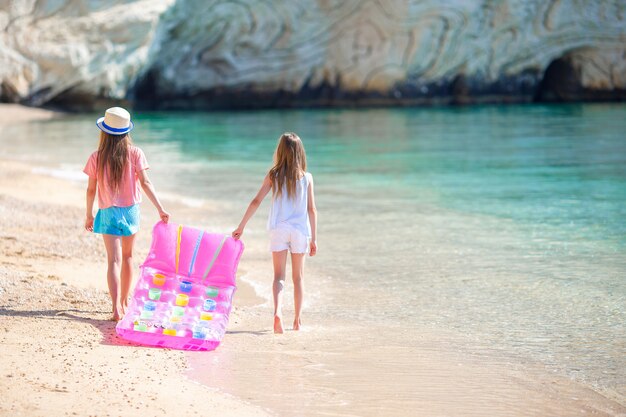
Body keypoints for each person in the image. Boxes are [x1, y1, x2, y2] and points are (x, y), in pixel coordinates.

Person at [84, 107, 169, 321]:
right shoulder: (136, 153)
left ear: (104, 131)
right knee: (129, 257)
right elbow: (146, 182)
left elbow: (91, 190)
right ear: (126, 131)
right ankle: (124, 301)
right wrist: (160, 208)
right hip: (131, 212)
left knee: (113, 260)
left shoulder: (97, 157)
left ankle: (115, 308)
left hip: (107, 211)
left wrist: (88, 214)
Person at [232, 132, 317, 333]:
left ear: (280, 151)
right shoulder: (307, 178)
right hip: (299, 231)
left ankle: (277, 312)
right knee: (298, 278)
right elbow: (311, 209)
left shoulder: (274, 175)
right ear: (300, 153)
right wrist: (314, 238)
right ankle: (297, 321)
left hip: (279, 229)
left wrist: (241, 226)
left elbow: (256, 201)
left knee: (279, 276)